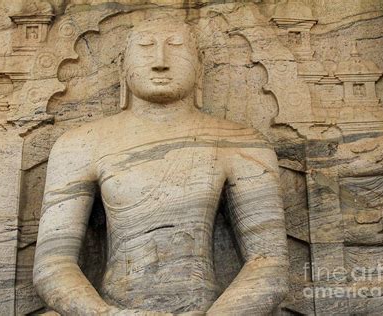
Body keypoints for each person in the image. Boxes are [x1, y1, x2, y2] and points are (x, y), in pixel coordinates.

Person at [34, 19, 288, 316]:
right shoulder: (80, 144)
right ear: (122, 67)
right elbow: (54, 265)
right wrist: (107, 315)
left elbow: (268, 262)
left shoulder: (241, 144)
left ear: (199, 65)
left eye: (176, 47)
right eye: (145, 48)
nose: (160, 62)